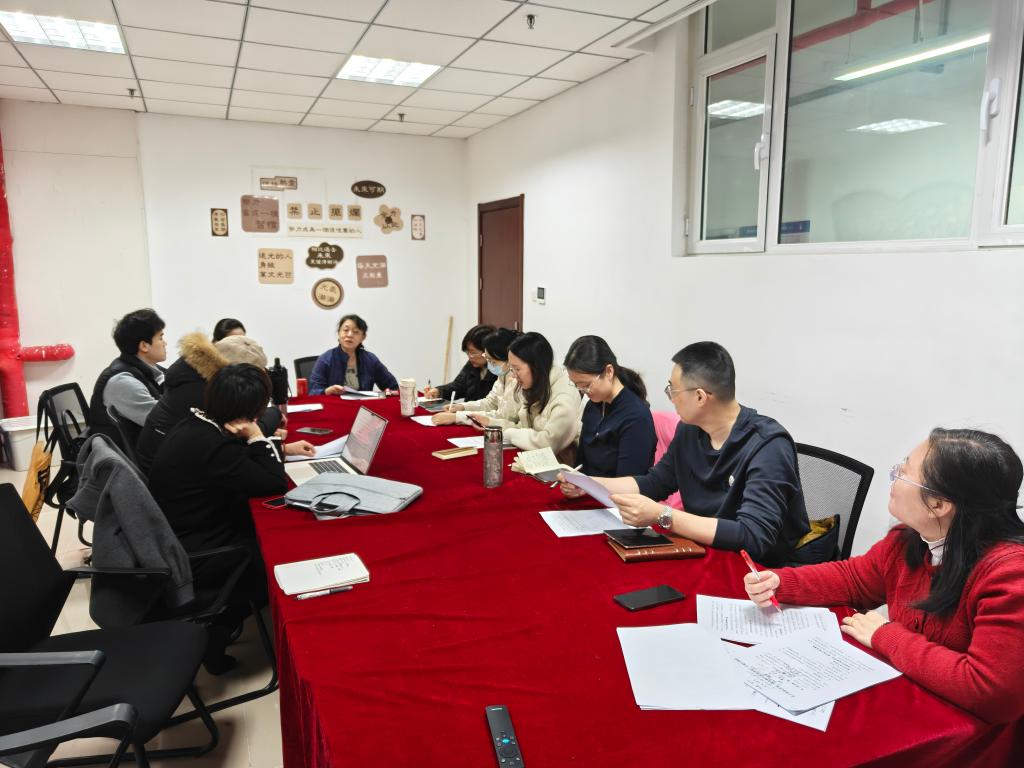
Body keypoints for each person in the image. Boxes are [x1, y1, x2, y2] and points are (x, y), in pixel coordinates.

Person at [744, 429, 1024, 723]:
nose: (894, 476)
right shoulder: (909, 538)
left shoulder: (1010, 575)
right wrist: (781, 582)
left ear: (938, 505)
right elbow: (854, 579)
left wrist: (886, 635)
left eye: (904, 472)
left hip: (965, 733)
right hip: (912, 699)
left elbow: (989, 692)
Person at [562, 341, 809, 566]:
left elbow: (753, 536)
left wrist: (664, 516)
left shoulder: (767, 446)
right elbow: (654, 483)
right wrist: (589, 483)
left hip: (762, 571)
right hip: (705, 553)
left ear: (700, 397)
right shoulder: (689, 430)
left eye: (673, 390)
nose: (670, 399)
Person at [148, 364, 289, 673]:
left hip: (183, 534)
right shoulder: (211, 445)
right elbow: (273, 482)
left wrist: (271, 444)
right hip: (199, 552)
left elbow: (241, 464)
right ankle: (216, 634)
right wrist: (257, 436)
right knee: (279, 556)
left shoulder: (197, 423)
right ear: (248, 412)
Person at [136, 332, 313, 474]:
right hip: (177, 477)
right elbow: (238, 436)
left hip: (172, 464)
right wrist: (273, 417)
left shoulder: (192, 374)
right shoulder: (206, 392)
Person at [467, 332, 579, 458]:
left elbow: (549, 444)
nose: (513, 375)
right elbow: (523, 427)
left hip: (558, 464)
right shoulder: (536, 384)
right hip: (536, 459)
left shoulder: (563, 395)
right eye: (511, 369)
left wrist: (507, 433)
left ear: (536, 366)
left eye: (517, 369)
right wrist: (492, 423)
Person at [562, 335, 656, 480]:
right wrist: (574, 481)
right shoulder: (593, 406)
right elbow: (582, 464)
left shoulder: (636, 417)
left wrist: (585, 487)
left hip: (619, 493)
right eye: (577, 385)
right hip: (589, 490)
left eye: (586, 385)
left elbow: (628, 483)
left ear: (609, 372)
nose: (583, 392)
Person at [88, 308, 168, 450]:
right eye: (160, 338)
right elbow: (164, 422)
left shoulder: (146, 370)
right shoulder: (123, 382)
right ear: (144, 346)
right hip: (136, 458)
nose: (165, 343)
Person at [432, 328, 521, 426]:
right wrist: (462, 407)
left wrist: (458, 417)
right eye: (488, 359)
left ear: (508, 359)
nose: (490, 365)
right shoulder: (502, 374)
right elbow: (489, 403)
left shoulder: (516, 379)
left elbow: (503, 416)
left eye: (493, 361)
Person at [308, 314, 399, 395]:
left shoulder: (370, 360)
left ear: (363, 337)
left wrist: (387, 392)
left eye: (356, 332)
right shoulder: (326, 359)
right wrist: (327, 391)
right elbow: (313, 392)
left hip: (362, 406)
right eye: (346, 330)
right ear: (339, 333)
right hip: (334, 405)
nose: (350, 335)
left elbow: (393, 387)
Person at [423, 324, 496, 403]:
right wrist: (438, 391)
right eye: (467, 352)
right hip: (467, 410)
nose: (470, 357)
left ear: (488, 351)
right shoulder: (472, 364)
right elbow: (458, 386)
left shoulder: (498, 371)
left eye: (473, 353)